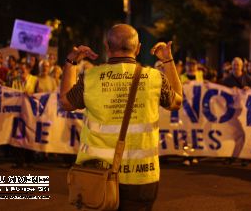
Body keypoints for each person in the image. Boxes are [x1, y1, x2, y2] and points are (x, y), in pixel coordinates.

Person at [60, 24, 182, 210]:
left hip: (97, 174)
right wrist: (168, 61)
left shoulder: (91, 78)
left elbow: (66, 102)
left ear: (107, 47)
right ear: (138, 48)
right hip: (142, 178)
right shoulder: (155, 78)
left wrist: (71, 63)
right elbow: (176, 101)